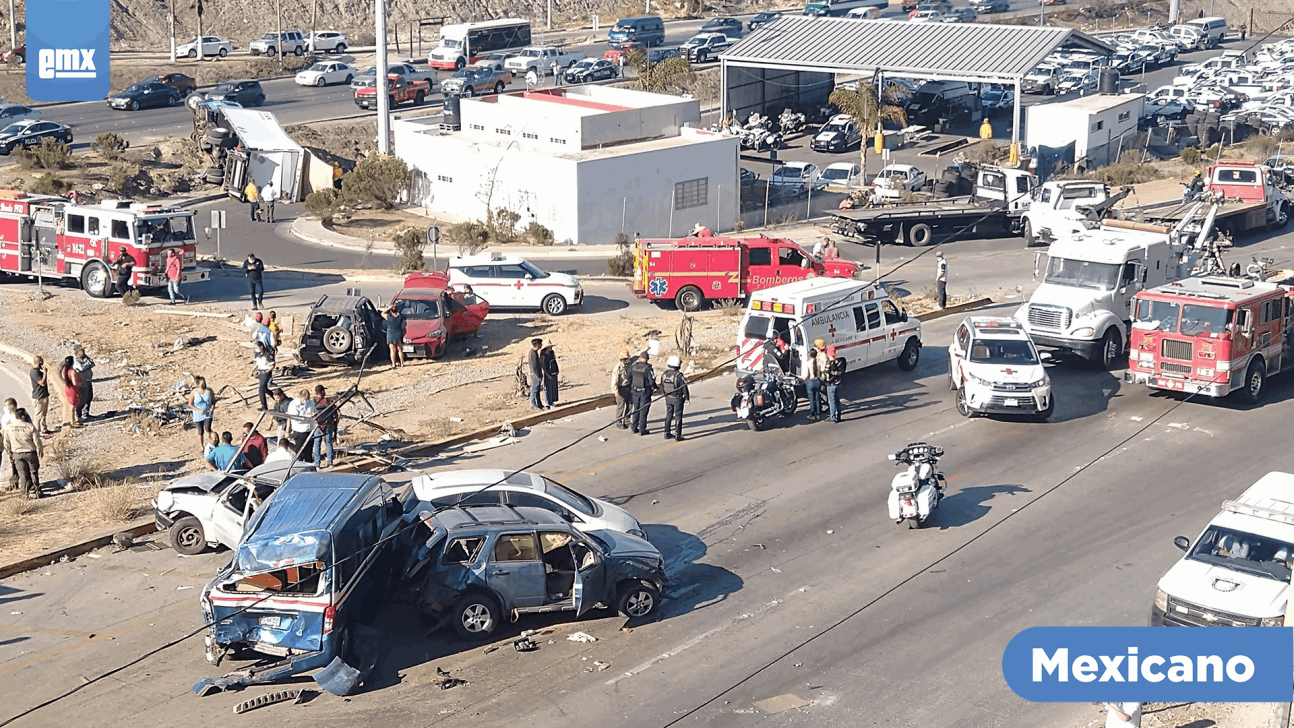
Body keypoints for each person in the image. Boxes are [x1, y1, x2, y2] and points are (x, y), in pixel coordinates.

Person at [3, 408, 42, 498]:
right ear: (23, 416)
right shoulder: (30, 426)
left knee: (22, 474)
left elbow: (6, 442)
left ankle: (24, 494)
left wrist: (9, 453)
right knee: (34, 472)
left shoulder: (9, 427)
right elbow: (37, 441)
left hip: (17, 453)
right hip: (30, 452)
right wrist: (40, 450)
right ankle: (37, 491)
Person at [658, 355, 689, 441]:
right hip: (677, 398)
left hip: (668, 397)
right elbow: (684, 387)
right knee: (678, 416)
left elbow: (662, 385)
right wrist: (687, 398)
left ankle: (666, 433)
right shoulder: (679, 375)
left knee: (669, 415)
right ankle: (678, 435)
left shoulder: (664, 374)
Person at [628, 352, 655, 436]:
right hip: (645, 392)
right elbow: (651, 382)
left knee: (636, 409)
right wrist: (655, 387)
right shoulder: (648, 368)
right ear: (647, 359)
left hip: (635, 391)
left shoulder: (634, 366)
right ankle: (642, 429)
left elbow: (628, 377)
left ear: (640, 358)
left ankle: (634, 427)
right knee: (643, 410)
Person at [287, 389, 318, 456]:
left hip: (310, 430)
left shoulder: (310, 402)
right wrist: (307, 417)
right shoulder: (293, 404)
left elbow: (314, 411)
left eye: (307, 399)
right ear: (300, 397)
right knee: (300, 452)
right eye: (304, 399)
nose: (306, 401)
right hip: (299, 431)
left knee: (309, 451)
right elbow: (295, 418)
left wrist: (314, 415)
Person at [188, 376, 214, 452]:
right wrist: (198, 410)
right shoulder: (194, 392)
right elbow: (190, 404)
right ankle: (201, 446)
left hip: (207, 413)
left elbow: (213, 401)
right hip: (198, 414)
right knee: (200, 431)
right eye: (202, 383)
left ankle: (212, 443)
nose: (204, 384)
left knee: (208, 428)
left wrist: (212, 408)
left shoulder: (209, 391)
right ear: (198, 384)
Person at [313, 385, 337, 468]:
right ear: (322, 391)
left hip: (317, 425)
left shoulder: (313, 402)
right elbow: (335, 412)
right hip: (328, 424)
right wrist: (335, 422)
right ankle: (330, 462)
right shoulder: (329, 400)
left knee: (317, 444)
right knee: (328, 443)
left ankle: (317, 464)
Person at [804, 339, 827, 421]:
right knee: (817, 398)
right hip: (817, 381)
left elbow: (806, 374)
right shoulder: (819, 362)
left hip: (810, 382)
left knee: (811, 399)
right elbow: (822, 369)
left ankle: (812, 414)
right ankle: (818, 413)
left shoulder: (808, 363)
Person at [56, 356, 81, 430]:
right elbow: (74, 383)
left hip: (67, 388)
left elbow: (63, 378)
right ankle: (72, 421)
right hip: (73, 389)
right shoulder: (72, 371)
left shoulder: (64, 370)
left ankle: (73, 420)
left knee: (71, 405)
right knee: (73, 406)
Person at [72, 346, 95, 421]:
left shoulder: (85, 358)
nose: (82, 353)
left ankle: (86, 413)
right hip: (82, 382)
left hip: (88, 380)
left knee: (89, 397)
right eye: (81, 352)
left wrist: (87, 363)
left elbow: (93, 364)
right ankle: (78, 415)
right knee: (82, 399)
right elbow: (81, 368)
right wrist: (87, 364)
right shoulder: (75, 361)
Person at [825, 345, 846, 423]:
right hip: (839, 384)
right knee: (837, 400)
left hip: (831, 385)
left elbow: (825, 375)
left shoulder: (828, 363)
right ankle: (839, 416)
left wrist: (826, 381)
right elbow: (841, 372)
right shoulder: (839, 362)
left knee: (831, 401)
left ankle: (832, 417)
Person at [612, 350, 632, 429]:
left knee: (630, 405)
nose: (626, 360)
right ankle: (619, 421)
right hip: (620, 388)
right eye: (624, 359)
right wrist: (615, 392)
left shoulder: (629, 365)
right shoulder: (617, 368)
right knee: (621, 406)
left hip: (628, 386)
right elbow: (614, 381)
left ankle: (627, 420)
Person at [252, 342, 274, 411]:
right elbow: (257, 363)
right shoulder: (257, 354)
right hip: (260, 373)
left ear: (261, 347)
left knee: (261, 389)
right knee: (264, 389)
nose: (256, 349)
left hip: (266, 372)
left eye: (257, 347)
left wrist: (267, 371)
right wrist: (252, 371)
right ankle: (275, 396)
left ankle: (264, 406)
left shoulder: (267, 354)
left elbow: (272, 365)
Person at [29, 357, 49, 435]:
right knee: (38, 416)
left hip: (44, 395)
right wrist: (45, 373)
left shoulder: (38, 371)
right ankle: (37, 432)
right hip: (39, 397)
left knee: (44, 414)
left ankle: (44, 429)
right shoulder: (34, 372)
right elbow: (42, 383)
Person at [384, 304, 406, 368]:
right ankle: (402, 363)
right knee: (400, 349)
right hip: (398, 333)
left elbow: (382, 313)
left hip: (390, 333)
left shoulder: (389, 316)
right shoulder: (401, 316)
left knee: (392, 350)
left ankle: (393, 364)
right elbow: (404, 325)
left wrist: (388, 308)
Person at [527, 338, 545, 409]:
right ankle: (533, 404)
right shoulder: (532, 353)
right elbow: (534, 366)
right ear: (537, 345)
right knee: (534, 389)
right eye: (540, 344)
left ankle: (539, 404)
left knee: (537, 390)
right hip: (535, 374)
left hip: (536, 374)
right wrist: (538, 376)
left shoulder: (534, 352)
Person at [540, 342, 559, 409]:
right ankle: (548, 402)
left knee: (553, 387)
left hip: (553, 371)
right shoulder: (543, 355)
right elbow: (543, 366)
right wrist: (547, 374)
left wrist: (557, 370)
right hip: (548, 372)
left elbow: (554, 360)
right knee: (548, 388)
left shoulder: (552, 353)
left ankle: (552, 401)